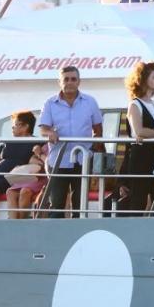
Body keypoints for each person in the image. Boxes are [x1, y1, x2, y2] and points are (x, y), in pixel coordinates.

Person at [39, 66, 104, 218]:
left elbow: (98, 128)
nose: (69, 82)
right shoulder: (49, 103)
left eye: (73, 79)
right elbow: (43, 129)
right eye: (66, 79)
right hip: (58, 161)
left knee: (80, 205)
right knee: (57, 205)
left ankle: (79, 239)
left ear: (79, 81)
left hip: (83, 161)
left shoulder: (90, 102)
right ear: (59, 82)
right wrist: (50, 132)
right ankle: (57, 239)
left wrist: (95, 147)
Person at [118, 61, 154, 216]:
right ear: (143, 79)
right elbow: (139, 131)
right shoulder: (135, 105)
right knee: (138, 200)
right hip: (140, 158)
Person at [0, 111, 39, 219]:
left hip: (10, 178)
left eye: (15, 125)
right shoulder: (7, 143)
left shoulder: (36, 143)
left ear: (25, 126)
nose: (12, 128)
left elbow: (36, 163)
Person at [6, 142, 48, 219]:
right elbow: (32, 160)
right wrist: (38, 159)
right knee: (10, 192)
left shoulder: (58, 147)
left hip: (43, 176)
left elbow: (50, 164)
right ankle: (13, 222)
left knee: (25, 191)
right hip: (33, 174)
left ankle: (21, 222)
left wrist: (40, 155)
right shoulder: (45, 146)